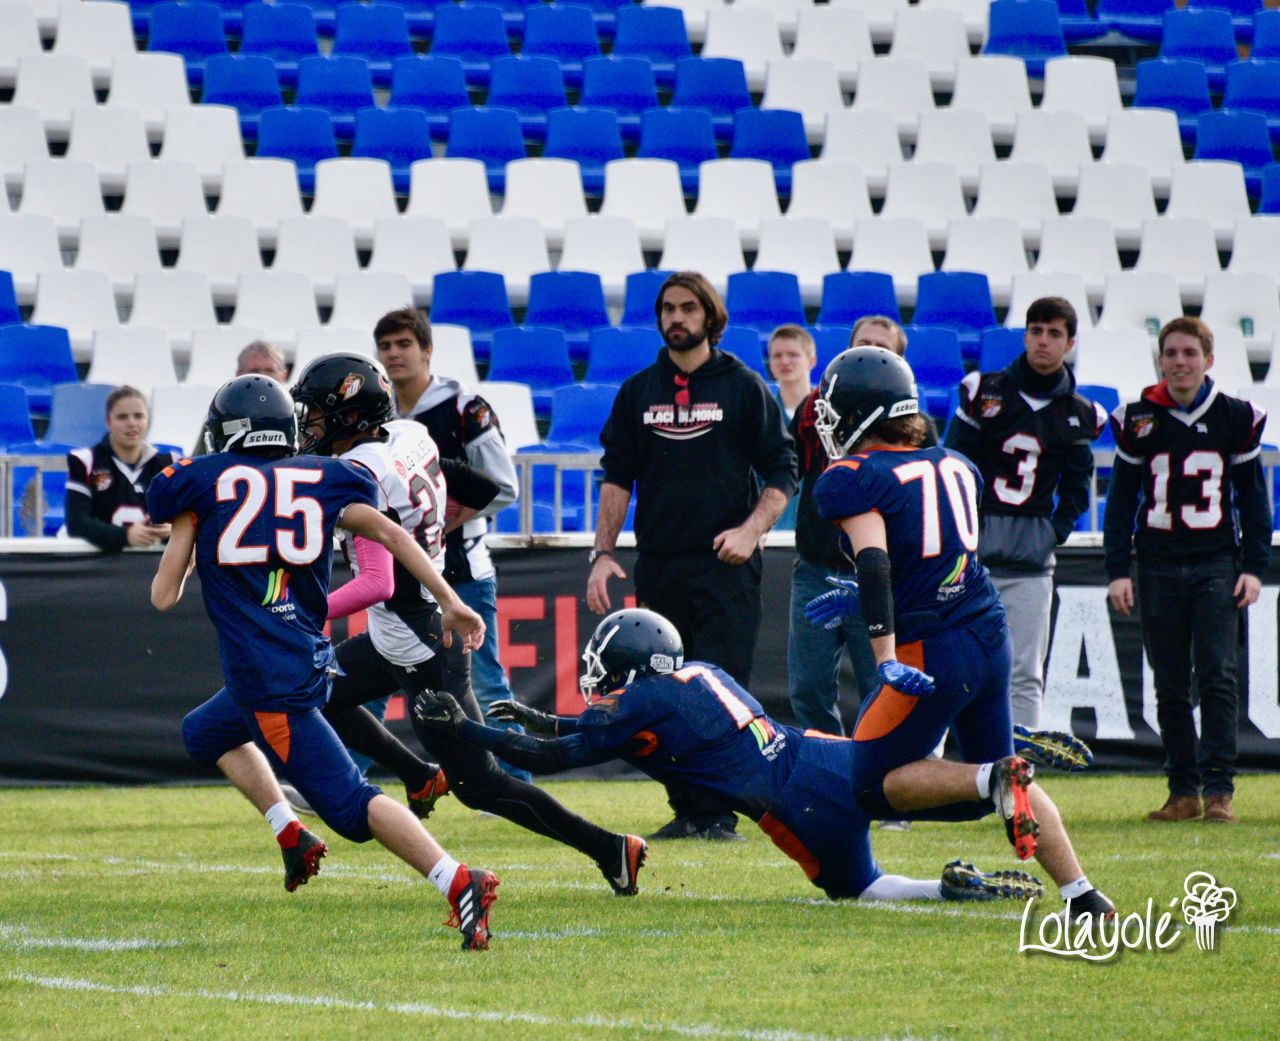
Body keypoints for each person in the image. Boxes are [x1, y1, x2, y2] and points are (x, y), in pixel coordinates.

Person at [147, 375, 500, 950]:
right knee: (204, 733)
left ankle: (459, 880)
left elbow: (163, 597)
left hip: (270, 681)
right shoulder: (326, 478)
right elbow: (392, 534)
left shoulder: (200, 483)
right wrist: (450, 600)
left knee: (353, 809)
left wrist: (189, 524)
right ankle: (291, 833)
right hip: (301, 654)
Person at [292, 353, 649, 895]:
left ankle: (610, 848)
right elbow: (475, 487)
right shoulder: (409, 434)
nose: (310, 425)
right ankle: (419, 775)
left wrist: (303, 611)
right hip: (406, 627)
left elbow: (376, 584)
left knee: (482, 786)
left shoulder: (362, 473)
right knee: (317, 692)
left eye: (318, 413)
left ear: (351, 414)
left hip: (419, 641)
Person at [414, 608, 1046, 906]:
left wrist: (467, 730)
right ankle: (988, 777)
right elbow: (596, 731)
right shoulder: (699, 673)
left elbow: (553, 758)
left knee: (862, 889)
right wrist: (539, 717)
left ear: (632, 664)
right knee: (905, 792)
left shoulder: (638, 703)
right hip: (820, 753)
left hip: (794, 806)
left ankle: (944, 888)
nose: (598, 677)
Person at [801, 346, 1115, 924]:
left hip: (931, 650)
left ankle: (994, 774)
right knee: (988, 786)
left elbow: (875, 563)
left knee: (869, 786)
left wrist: (884, 653)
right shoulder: (956, 464)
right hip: (987, 634)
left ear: (862, 414)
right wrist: (873, 599)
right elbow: (930, 558)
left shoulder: (852, 477)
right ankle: (1083, 894)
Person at [587, 271, 797, 841]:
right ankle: (688, 811)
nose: (676, 318)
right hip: (660, 566)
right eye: (668, 309)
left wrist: (751, 531)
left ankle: (719, 813)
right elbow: (617, 476)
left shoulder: (744, 386)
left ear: (710, 316)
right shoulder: (638, 390)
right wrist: (602, 553)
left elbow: (783, 471)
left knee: (720, 694)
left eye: (687, 308)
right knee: (664, 695)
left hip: (727, 568)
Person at [1103, 317, 1270, 825]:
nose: (1180, 362)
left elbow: (1253, 500)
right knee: (1170, 682)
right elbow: (1120, 501)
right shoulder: (1137, 418)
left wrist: (1254, 566)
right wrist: (1118, 569)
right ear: (1160, 359)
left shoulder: (1235, 416)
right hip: (1155, 562)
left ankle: (1219, 790)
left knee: (1218, 675)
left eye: (1189, 353)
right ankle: (1183, 790)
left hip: (1215, 561)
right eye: (1171, 353)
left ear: (1209, 360)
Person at [374, 307, 531, 782]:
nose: (394, 354)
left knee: (486, 683)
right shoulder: (376, 415)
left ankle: (517, 783)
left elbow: (504, 486)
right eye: (385, 346)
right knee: (374, 684)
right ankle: (343, 781)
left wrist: (447, 516)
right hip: (397, 578)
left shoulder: (466, 409)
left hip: (462, 570)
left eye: (404, 344)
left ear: (427, 350)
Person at [945, 297, 1106, 730]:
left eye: (1054, 333)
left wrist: (1053, 532)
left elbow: (1077, 487)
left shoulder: (1078, 413)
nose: (1043, 341)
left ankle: (1020, 768)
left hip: (1030, 559)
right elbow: (954, 465)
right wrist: (965, 529)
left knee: (1024, 673)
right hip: (972, 554)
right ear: (1025, 336)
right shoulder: (986, 392)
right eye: (1036, 330)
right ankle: (933, 763)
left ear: (1070, 343)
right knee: (949, 665)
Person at [786, 317, 920, 738]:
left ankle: (879, 765)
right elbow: (788, 468)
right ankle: (831, 763)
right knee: (807, 687)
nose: (870, 356)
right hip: (817, 565)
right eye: (862, 346)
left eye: (881, 349)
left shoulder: (913, 428)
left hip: (877, 575)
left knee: (879, 685)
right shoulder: (815, 409)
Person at [66, 385, 173, 552]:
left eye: (138, 416)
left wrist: (171, 530)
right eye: (122, 417)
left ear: (148, 420)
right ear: (108, 422)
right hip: (98, 564)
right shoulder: (86, 461)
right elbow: (76, 523)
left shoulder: (167, 464)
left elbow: (188, 522)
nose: (131, 423)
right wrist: (125, 536)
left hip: (150, 563)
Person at [766, 325, 816, 531]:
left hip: (815, 533)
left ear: (811, 361)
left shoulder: (829, 414)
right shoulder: (760, 415)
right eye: (777, 356)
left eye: (793, 355)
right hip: (771, 532)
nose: (784, 361)